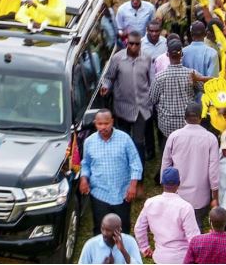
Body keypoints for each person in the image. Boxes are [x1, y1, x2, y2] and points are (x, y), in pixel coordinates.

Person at [79, 110, 143, 232]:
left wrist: (133, 186)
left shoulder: (125, 139)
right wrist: (84, 179)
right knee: (100, 227)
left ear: (112, 122)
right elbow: (85, 164)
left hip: (122, 192)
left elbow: (135, 163)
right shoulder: (89, 142)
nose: (103, 127)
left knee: (123, 227)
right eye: (100, 124)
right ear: (95, 123)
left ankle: (121, 244)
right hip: (99, 193)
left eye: (106, 123)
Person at [160, 102, 220, 222]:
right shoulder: (210, 138)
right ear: (201, 118)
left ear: (185, 118)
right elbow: (213, 170)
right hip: (200, 197)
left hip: (177, 193)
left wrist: (165, 188)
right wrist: (215, 196)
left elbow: (166, 163)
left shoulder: (174, 137)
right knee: (196, 227)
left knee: (176, 226)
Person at [100, 30, 154, 163]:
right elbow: (109, 77)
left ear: (140, 44)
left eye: (137, 44)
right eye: (131, 43)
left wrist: (152, 100)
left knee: (138, 142)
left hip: (141, 107)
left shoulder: (147, 58)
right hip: (123, 107)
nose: (134, 46)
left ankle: (139, 171)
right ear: (126, 43)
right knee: (124, 140)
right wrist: (106, 86)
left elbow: (152, 80)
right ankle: (124, 166)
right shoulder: (117, 59)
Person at [134, 167, 201, 264]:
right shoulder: (185, 207)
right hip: (182, 258)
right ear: (178, 183)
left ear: (162, 183)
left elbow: (139, 228)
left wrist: (144, 247)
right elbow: (194, 238)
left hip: (160, 258)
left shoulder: (150, 203)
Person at [149, 38, 200, 140]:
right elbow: (205, 88)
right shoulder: (192, 74)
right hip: (187, 122)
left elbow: (152, 99)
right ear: (182, 54)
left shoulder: (159, 77)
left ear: (167, 55)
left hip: (167, 125)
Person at [78, 212, 144, 265]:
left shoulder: (130, 241)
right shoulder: (90, 245)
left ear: (119, 230)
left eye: (108, 230)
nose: (104, 233)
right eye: (102, 229)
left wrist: (123, 251)